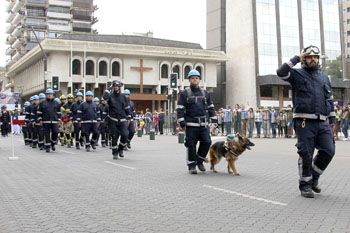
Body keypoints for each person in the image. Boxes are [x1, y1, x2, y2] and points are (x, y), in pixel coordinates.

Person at [277, 45, 336, 198]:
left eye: (315, 57)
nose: (313, 60)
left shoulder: (324, 77)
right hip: (304, 121)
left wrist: (332, 119)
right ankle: (305, 186)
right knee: (306, 154)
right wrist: (297, 58)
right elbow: (281, 72)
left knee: (329, 150)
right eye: (309, 57)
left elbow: (329, 99)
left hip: (322, 122)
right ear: (304, 59)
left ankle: (314, 178)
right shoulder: (296, 74)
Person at [177, 69, 217, 174]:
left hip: (203, 124)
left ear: (199, 80)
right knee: (191, 145)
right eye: (193, 78)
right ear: (189, 80)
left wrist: (214, 118)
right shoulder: (184, 93)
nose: (195, 80)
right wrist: (182, 123)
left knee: (207, 142)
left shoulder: (205, 93)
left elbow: (211, 107)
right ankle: (191, 166)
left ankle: (200, 161)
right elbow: (180, 109)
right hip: (190, 124)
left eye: (197, 78)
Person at [102, 80, 130, 159]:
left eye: (117, 86)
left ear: (119, 87)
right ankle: (115, 153)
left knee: (125, 134)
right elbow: (104, 97)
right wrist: (109, 88)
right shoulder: (110, 96)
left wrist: (129, 117)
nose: (115, 87)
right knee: (114, 136)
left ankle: (120, 149)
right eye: (114, 86)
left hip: (122, 119)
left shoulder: (123, 97)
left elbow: (127, 108)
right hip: (113, 119)